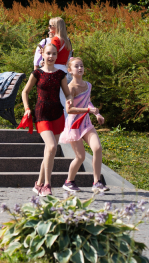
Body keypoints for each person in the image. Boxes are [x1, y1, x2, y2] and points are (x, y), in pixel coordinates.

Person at [21, 43, 73, 197]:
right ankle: (47, 185)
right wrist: (27, 108)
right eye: (48, 53)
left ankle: (38, 184)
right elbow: (25, 92)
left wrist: (70, 100)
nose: (51, 56)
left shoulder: (60, 74)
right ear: (42, 54)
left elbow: (68, 93)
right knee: (51, 147)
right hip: (41, 113)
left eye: (54, 54)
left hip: (57, 114)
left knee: (50, 151)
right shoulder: (37, 73)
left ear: (57, 56)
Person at [60, 57, 108, 194]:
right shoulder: (70, 88)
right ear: (70, 70)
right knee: (80, 157)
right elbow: (69, 110)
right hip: (74, 125)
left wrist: (97, 114)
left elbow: (88, 102)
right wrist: (88, 110)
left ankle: (97, 182)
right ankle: (69, 181)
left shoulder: (88, 85)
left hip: (86, 123)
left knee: (97, 148)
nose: (80, 68)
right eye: (76, 66)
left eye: (81, 65)